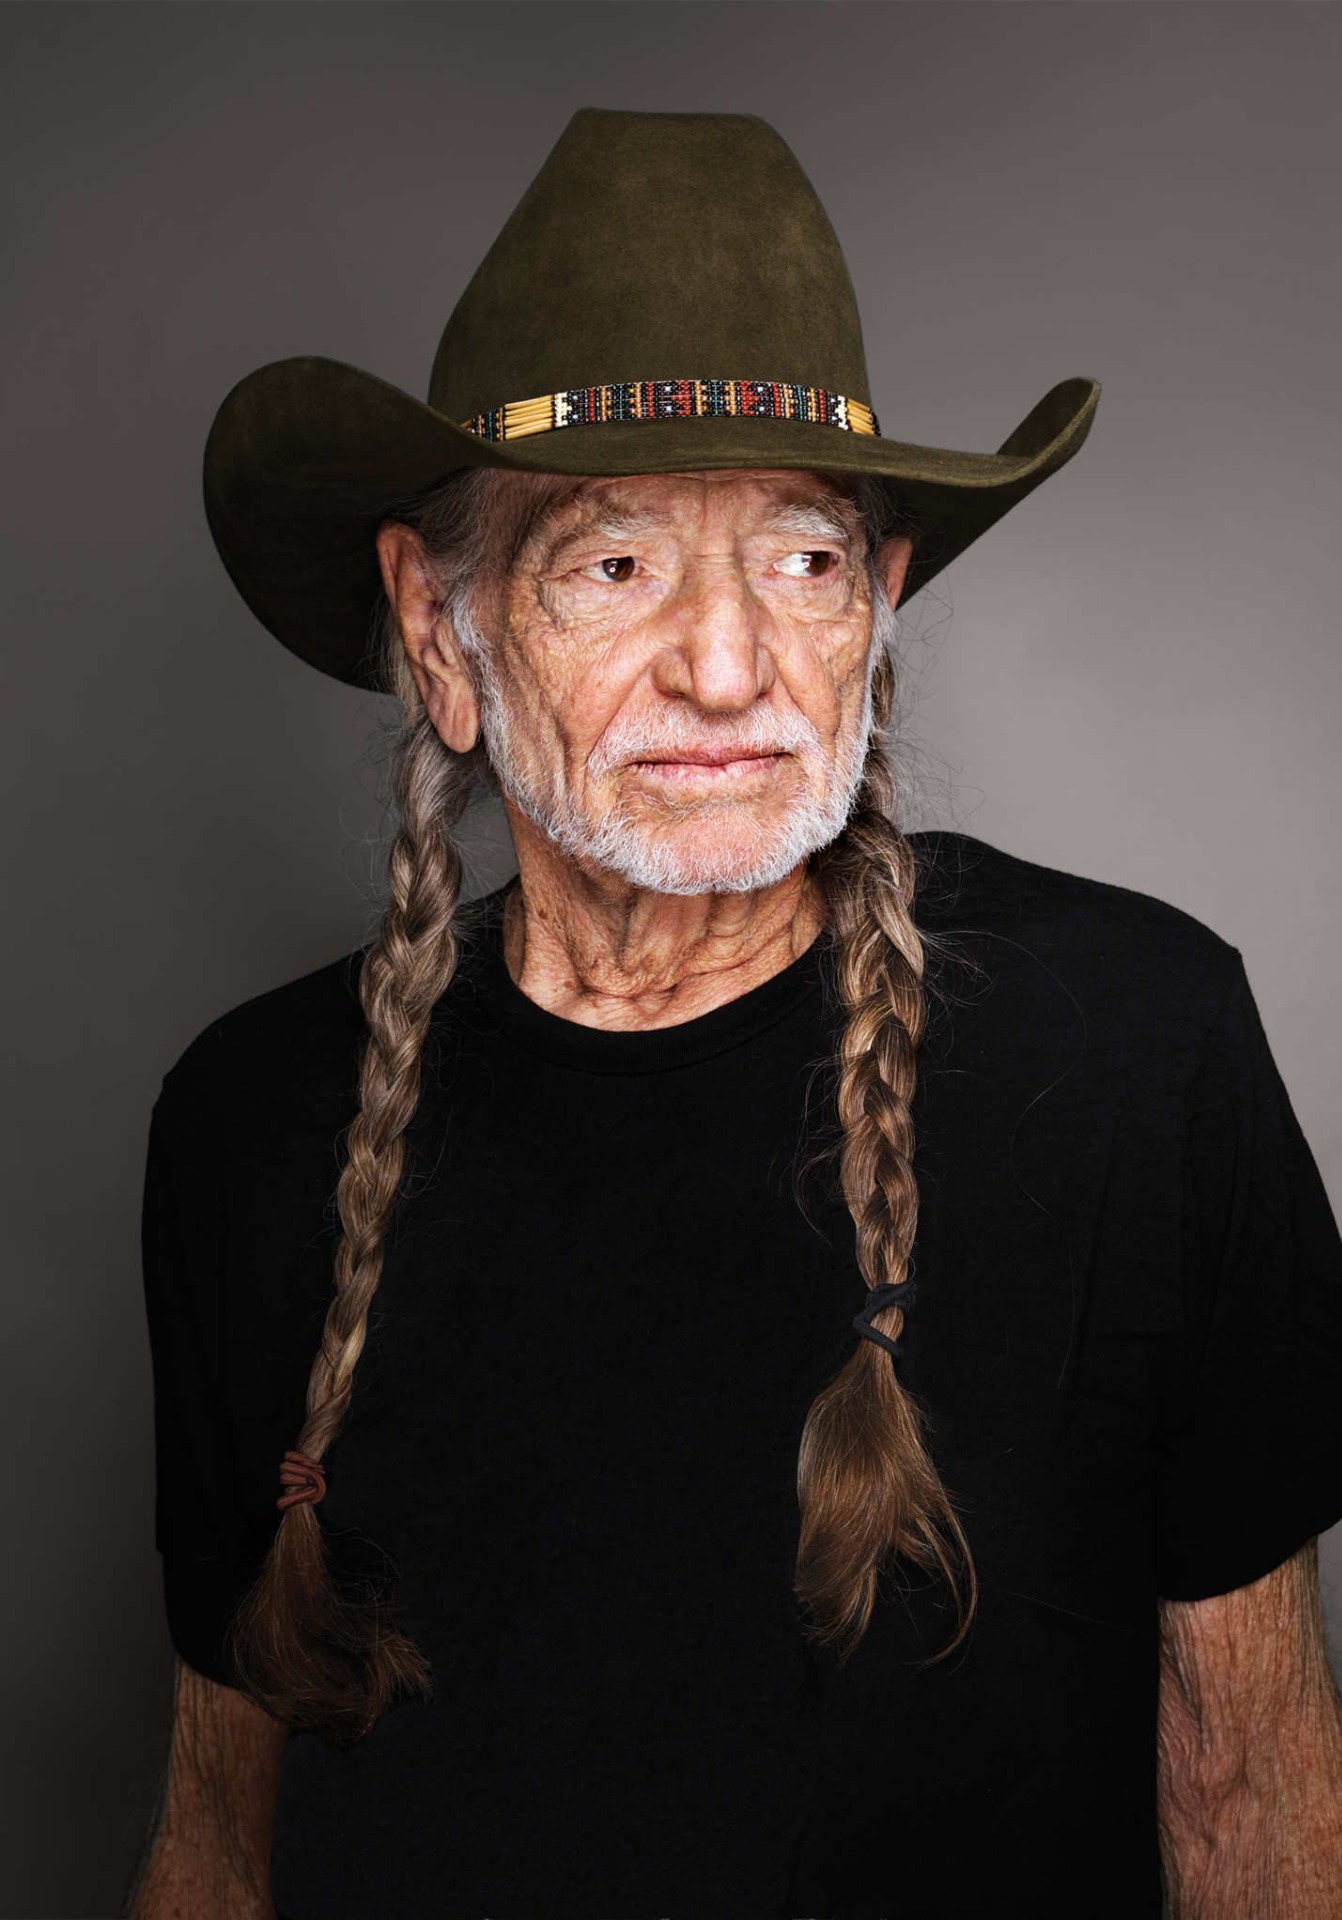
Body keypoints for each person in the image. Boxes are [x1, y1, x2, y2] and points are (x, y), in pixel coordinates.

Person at [132, 109, 1342, 1920]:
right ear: (443, 634)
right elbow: (223, 1838)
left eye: (802, 561)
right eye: (613, 565)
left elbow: (1252, 1797)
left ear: (881, 605)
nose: (727, 667)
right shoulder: (251, 1119)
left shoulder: (1133, 1048)